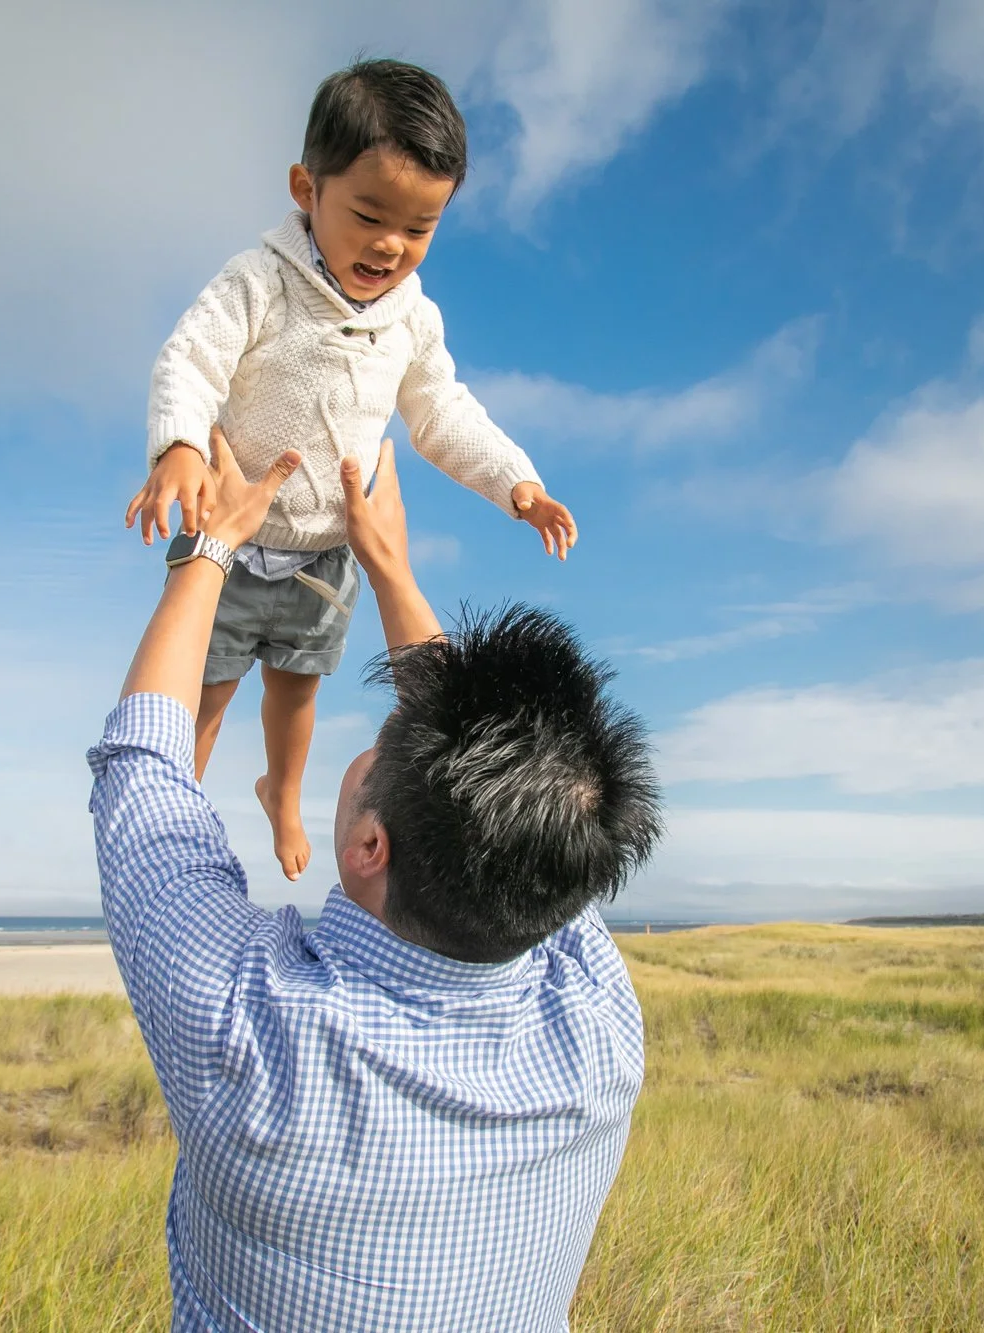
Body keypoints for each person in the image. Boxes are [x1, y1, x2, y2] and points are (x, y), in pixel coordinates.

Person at [88, 436, 663, 1331]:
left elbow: (142, 773)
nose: (386, 730)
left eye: (388, 740)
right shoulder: (598, 1027)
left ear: (367, 846)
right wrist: (388, 568)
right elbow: (529, 809)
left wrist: (211, 549)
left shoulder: (253, 1038)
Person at [124, 58, 578, 884]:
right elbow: (190, 360)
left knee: (295, 695)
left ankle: (283, 794)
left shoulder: (413, 319)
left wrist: (517, 482)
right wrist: (182, 446)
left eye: (420, 227)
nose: (391, 245)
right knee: (209, 697)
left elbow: (443, 413)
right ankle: (170, 820)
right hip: (233, 537)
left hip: (325, 554)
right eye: (369, 215)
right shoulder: (260, 281)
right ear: (307, 188)